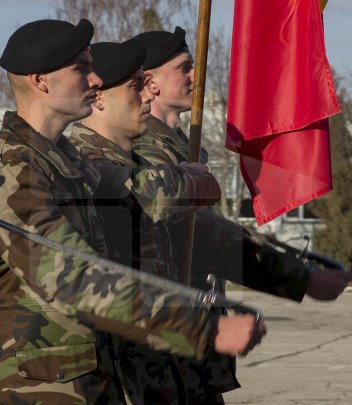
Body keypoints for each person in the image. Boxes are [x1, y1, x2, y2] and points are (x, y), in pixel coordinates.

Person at [0, 19, 266, 405]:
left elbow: (136, 192)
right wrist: (197, 328)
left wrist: (186, 181)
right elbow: (73, 276)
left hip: (83, 381)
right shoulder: (13, 171)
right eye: (81, 69)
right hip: (27, 390)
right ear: (40, 81)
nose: (96, 80)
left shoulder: (65, 161)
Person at [132, 27, 352, 404]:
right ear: (150, 81)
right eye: (184, 68)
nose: (195, 76)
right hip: (160, 347)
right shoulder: (143, 150)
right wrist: (297, 275)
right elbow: (202, 234)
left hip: (191, 346)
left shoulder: (181, 148)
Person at [69, 39, 236, 404]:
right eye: (135, 86)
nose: (147, 96)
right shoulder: (85, 160)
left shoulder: (133, 157)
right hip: (128, 357)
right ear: (98, 97)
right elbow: (153, 197)